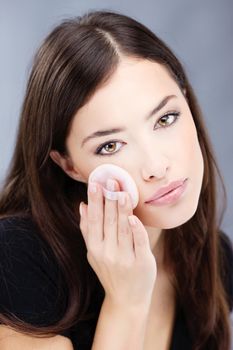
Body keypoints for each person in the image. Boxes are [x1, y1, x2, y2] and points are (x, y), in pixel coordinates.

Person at [0, 9, 232, 350]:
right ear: (68, 165)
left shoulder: (213, 260)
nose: (156, 166)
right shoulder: (19, 259)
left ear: (187, 101)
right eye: (110, 145)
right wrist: (126, 302)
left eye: (166, 118)